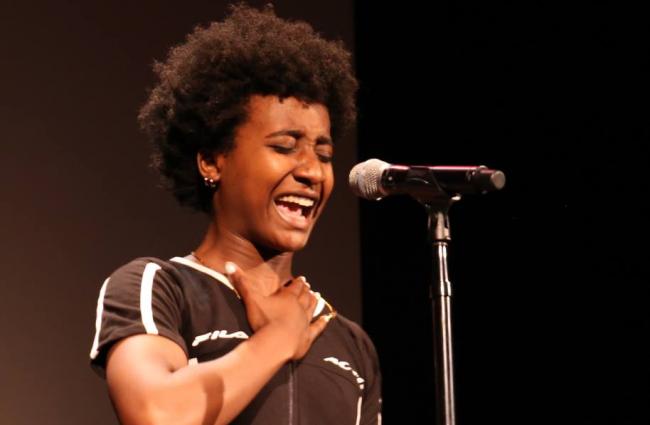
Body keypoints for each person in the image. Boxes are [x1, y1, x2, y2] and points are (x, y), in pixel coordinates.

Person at [88, 4, 382, 424]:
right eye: (284, 147)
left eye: (324, 153)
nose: (312, 171)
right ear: (211, 160)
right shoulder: (161, 289)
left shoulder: (351, 342)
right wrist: (279, 338)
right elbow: (157, 415)